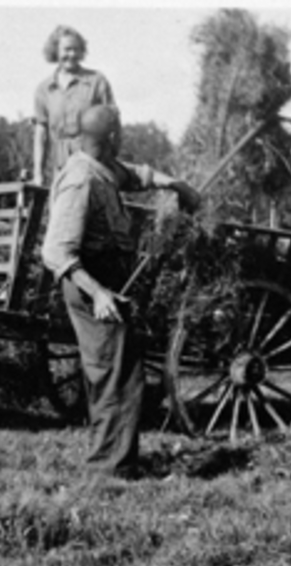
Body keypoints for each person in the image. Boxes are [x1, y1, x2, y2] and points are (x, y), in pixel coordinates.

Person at [41, 105, 200, 478]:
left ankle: (113, 461)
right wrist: (98, 294)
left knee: (117, 371)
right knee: (117, 376)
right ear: (112, 136)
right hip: (90, 284)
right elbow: (55, 251)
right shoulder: (81, 180)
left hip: (106, 281)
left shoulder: (103, 167)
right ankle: (111, 469)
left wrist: (175, 185)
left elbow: (138, 175)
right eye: (120, 131)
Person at [32, 25, 116, 187]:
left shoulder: (96, 81)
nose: (72, 55)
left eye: (77, 50)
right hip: (60, 168)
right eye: (67, 49)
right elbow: (40, 133)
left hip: (93, 165)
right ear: (55, 51)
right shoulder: (44, 89)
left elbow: (113, 122)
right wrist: (38, 174)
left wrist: (109, 159)